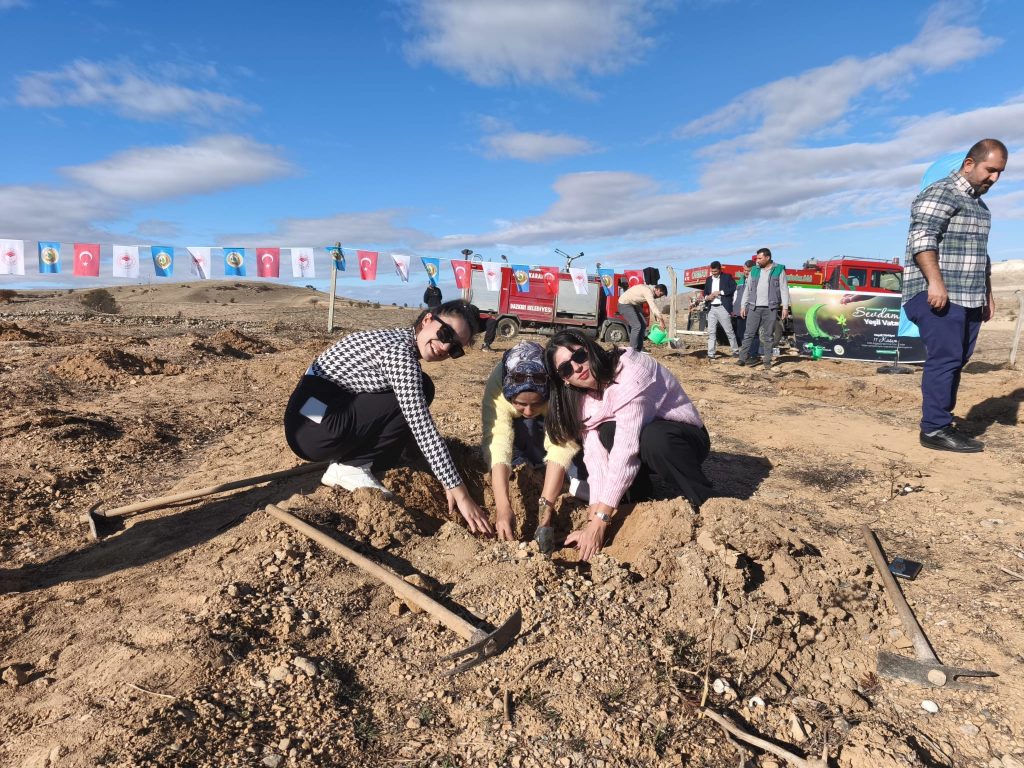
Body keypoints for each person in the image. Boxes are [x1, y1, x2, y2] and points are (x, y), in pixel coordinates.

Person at [283, 299, 493, 536]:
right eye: (445, 333)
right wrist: (459, 492)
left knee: (421, 387)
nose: (445, 347)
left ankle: (368, 458)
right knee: (417, 392)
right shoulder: (399, 354)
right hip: (310, 425)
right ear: (427, 320)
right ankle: (349, 467)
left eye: (455, 348)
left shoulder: (399, 340)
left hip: (315, 412)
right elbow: (421, 425)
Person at [544, 330, 712, 561]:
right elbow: (596, 459)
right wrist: (592, 520)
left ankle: (706, 503)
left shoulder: (631, 370)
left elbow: (626, 449)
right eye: (566, 368)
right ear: (564, 379)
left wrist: (602, 519)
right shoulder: (581, 398)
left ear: (590, 349)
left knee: (655, 439)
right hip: (642, 439)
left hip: (684, 439)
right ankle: (638, 501)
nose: (577, 368)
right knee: (608, 432)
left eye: (580, 356)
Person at [903, 138, 1007, 453]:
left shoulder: (980, 205)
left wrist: (987, 293)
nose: (995, 178)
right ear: (969, 163)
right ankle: (933, 430)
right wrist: (935, 282)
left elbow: (981, 255)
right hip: (939, 294)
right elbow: (922, 238)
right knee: (945, 359)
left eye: (1000, 172)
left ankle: (941, 422)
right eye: (990, 170)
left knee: (956, 360)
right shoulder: (941, 192)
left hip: (969, 296)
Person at [481, 342, 578, 545]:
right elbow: (498, 442)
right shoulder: (497, 387)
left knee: (539, 429)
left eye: (535, 403)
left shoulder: (557, 386)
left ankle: (545, 473)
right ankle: (524, 468)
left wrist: (546, 508)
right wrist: (503, 507)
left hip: (552, 421)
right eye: (520, 404)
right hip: (517, 434)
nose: (527, 410)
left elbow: (561, 445)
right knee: (523, 427)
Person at [737, 248, 789, 370]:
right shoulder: (754, 270)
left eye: (760, 258)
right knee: (748, 333)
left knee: (768, 336)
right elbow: (747, 289)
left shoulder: (779, 270)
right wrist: (743, 305)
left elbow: (784, 289)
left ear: (767, 257)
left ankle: (767, 361)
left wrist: (785, 307)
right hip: (754, 307)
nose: (757, 261)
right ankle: (742, 358)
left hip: (770, 308)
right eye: (757, 258)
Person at [703, 261, 739, 359]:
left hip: (723, 307)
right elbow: (705, 292)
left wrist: (721, 292)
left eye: (715, 271)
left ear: (719, 269)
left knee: (729, 331)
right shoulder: (708, 279)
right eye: (712, 271)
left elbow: (734, 287)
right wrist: (707, 297)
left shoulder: (727, 277)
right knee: (711, 332)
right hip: (711, 308)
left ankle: (735, 351)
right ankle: (711, 353)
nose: (713, 273)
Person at [618, 282, 667, 351]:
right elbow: (653, 307)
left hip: (633, 305)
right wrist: (662, 321)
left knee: (643, 324)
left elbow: (652, 308)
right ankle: (633, 350)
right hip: (624, 304)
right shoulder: (648, 291)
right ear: (657, 289)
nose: (659, 297)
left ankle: (639, 348)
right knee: (637, 326)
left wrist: (658, 319)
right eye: (660, 294)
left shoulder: (649, 289)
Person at [731, 260, 760, 359]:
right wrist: (734, 308)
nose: (746, 272)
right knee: (741, 333)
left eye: (748, 270)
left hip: (751, 311)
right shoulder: (741, 279)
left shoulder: (757, 280)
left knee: (752, 333)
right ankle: (746, 352)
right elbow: (736, 295)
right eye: (744, 270)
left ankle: (753, 354)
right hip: (740, 311)